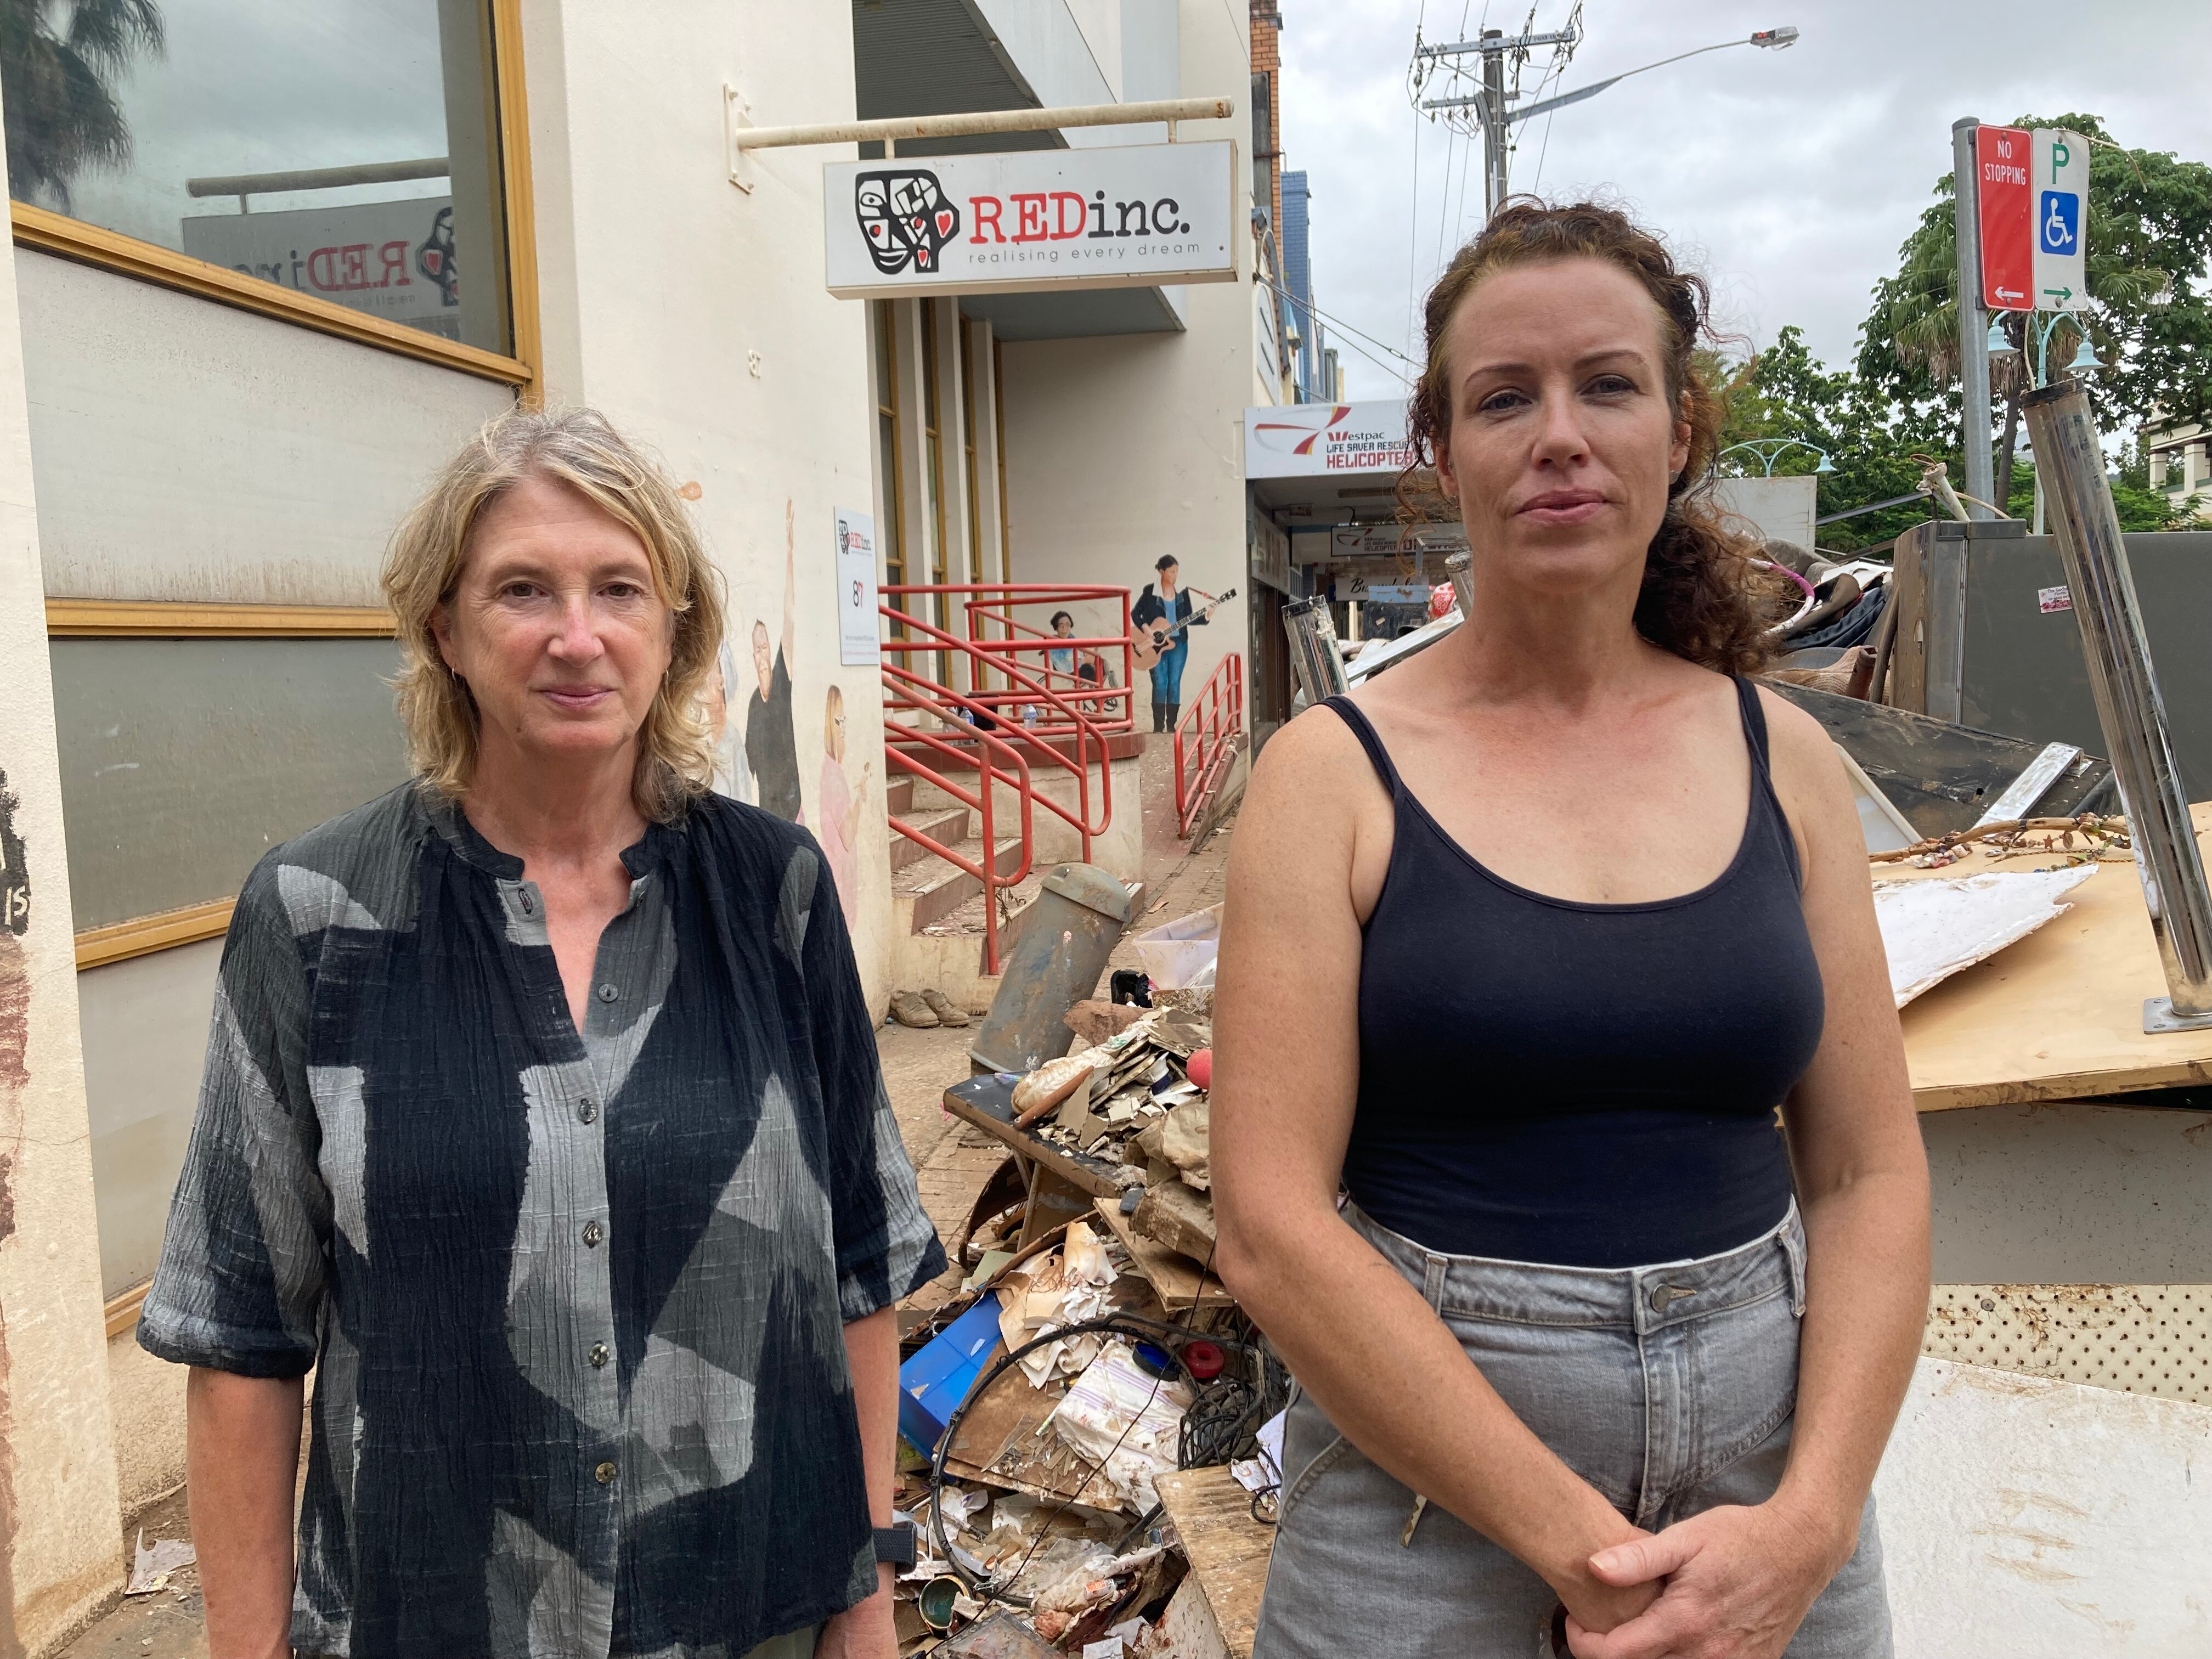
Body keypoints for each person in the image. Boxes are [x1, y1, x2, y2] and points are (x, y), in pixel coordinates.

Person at [1211, 202, 1929, 1658]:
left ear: (1679, 432)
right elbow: (1273, 1232)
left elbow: (1868, 1170)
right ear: (1441, 453)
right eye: (1503, 398)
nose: (1559, 434)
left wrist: (1811, 1523)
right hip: (1427, 1522)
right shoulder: (1329, 778)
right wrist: (1584, 1555)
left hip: (1767, 1498)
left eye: (1606, 384)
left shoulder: (1781, 759)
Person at [138, 405, 944, 1659]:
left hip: (748, 1621)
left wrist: (871, 1597)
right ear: (446, 628)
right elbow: (243, 1342)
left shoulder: (775, 895)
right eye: (524, 589)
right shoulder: (312, 918)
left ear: (674, 628)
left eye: (619, 587)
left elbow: (858, 1272)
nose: (579, 637)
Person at [747, 507, 804, 820]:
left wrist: (791, 552)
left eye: (764, 646)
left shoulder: (783, 678)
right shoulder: (754, 704)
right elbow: (748, 765)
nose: (762, 655)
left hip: (794, 807)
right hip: (768, 814)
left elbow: (790, 618)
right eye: (756, 649)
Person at [819, 683, 872, 932]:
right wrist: (860, 801)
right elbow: (847, 836)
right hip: (838, 879)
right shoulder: (832, 775)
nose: (844, 728)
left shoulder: (832, 771)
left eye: (844, 719)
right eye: (838, 720)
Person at [1132, 555, 1204, 732]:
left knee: (1174, 683)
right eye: (1172, 571)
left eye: (1177, 571)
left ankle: (1171, 727)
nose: (1175, 575)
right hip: (1154, 645)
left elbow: (1190, 618)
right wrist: (1147, 631)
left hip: (1178, 644)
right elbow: (1135, 614)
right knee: (1160, 682)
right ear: (1162, 571)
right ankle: (1158, 727)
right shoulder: (1150, 592)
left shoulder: (1182, 594)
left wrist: (1207, 615)